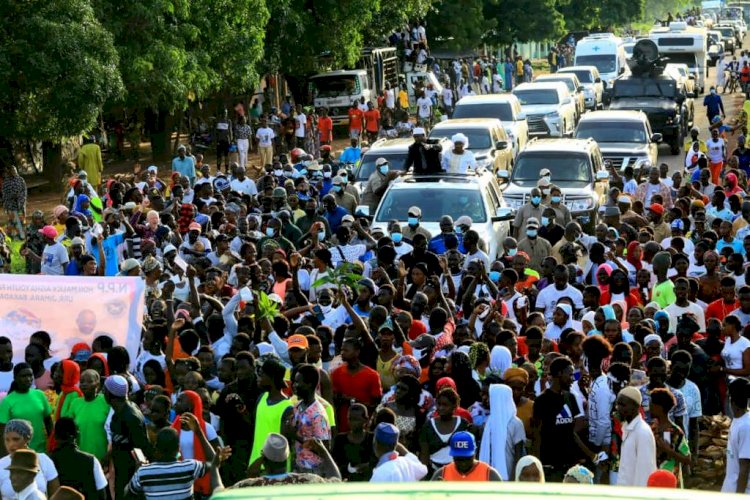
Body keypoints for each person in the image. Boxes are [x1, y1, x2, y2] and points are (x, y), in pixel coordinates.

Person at [126, 427, 218, 499]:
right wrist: (199, 432)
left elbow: (127, 495)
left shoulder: (143, 472)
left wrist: (137, 470)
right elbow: (214, 463)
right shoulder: (190, 467)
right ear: (178, 448)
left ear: (156, 448)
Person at [232, 433, 340, 487]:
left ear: (264, 460)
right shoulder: (307, 480)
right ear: (288, 457)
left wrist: (214, 466)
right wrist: (323, 451)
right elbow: (336, 481)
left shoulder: (253, 485)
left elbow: (219, 491)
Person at [105, 374, 152, 499]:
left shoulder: (131, 417)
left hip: (131, 476)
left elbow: (142, 449)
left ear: (109, 395)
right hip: (120, 472)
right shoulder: (120, 411)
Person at [48, 418, 107, 499]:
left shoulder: (47, 461)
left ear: (55, 436)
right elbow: (102, 494)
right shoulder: (91, 461)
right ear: (76, 434)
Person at [0, 419, 59, 498]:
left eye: (16, 439)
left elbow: (55, 494)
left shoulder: (43, 460)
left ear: (27, 439)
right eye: (7, 440)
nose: (10, 444)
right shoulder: (1, 464)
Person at [616, 386, 657, 487]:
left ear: (635, 406)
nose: (618, 408)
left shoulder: (642, 432)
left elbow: (645, 472)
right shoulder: (627, 428)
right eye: (618, 404)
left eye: (623, 405)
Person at [431, 430, 502, 481]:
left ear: (475, 452)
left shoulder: (489, 474)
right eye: (459, 458)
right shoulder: (442, 474)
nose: (463, 463)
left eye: (467, 458)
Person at [722, 378, 750, 493]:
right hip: (729, 489)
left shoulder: (746, 426)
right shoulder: (737, 421)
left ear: (731, 401)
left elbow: (744, 468)